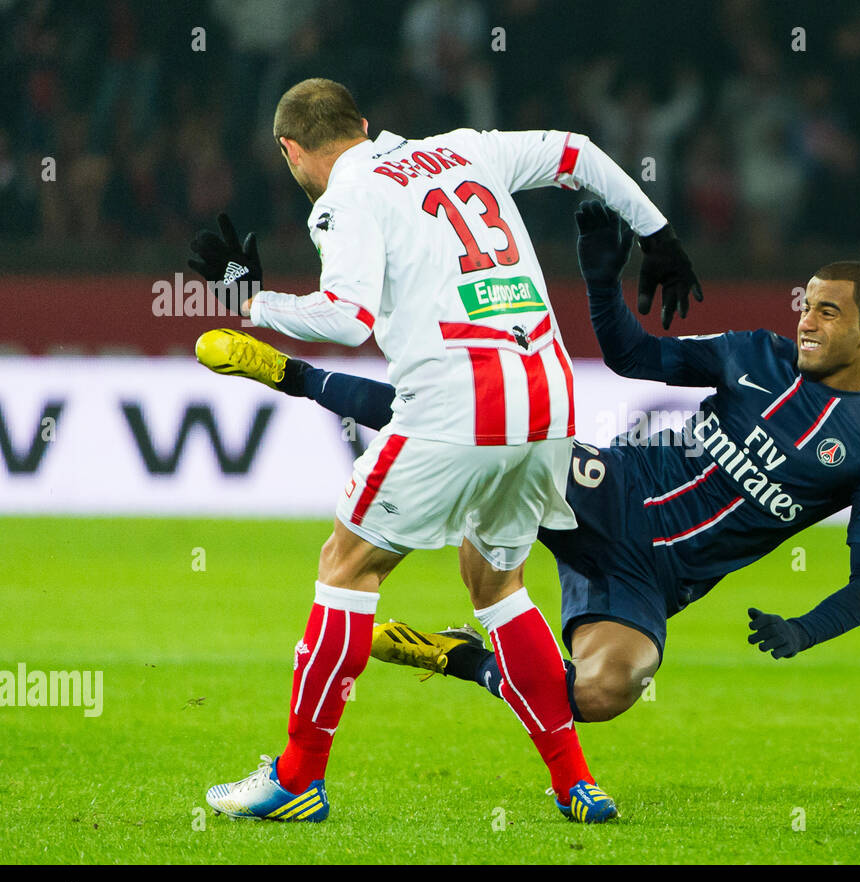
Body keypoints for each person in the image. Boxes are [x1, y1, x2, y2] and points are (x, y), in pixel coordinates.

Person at [202, 200, 860, 756]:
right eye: (806, 303)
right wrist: (602, 278)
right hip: (611, 487)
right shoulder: (755, 352)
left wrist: (802, 631)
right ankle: (291, 372)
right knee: (473, 420)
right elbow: (631, 354)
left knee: (604, 690)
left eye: (827, 310)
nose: (806, 320)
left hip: (653, 582)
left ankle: (466, 659)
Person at [188, 79, 701, 824]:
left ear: (291, 151)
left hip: (459, 405)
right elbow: (578, 154)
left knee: (347, 565)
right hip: (548, 400)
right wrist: (658, 235)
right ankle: (576, 784)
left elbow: (347, 313)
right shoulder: (464, 150)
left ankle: (298, 777)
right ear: (365, 123)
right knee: (497, 587)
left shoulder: (343, 195)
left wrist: (251, 304)